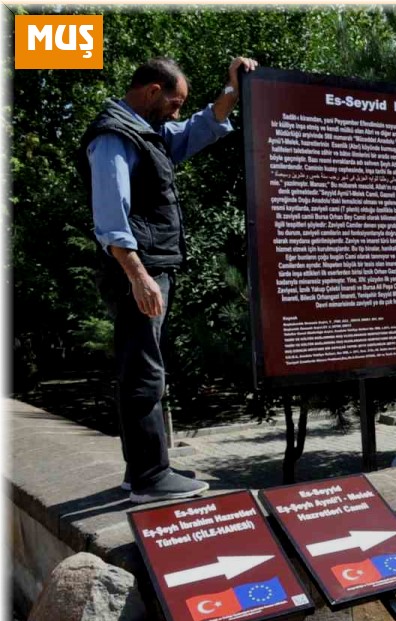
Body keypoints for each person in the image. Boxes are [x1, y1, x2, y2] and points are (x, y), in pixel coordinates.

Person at [77, 56, 258, 503]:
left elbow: (198, 128)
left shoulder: (145, 131)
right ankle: (149, 478)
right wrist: (138, 275)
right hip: (137, 271)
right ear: (153, 92)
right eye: (174, 103)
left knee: (145, 363)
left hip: (151, 268)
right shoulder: (113, 137)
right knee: (142, 369)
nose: (177, 113)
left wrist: (231, 89)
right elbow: (110, 214)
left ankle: (142, 468)